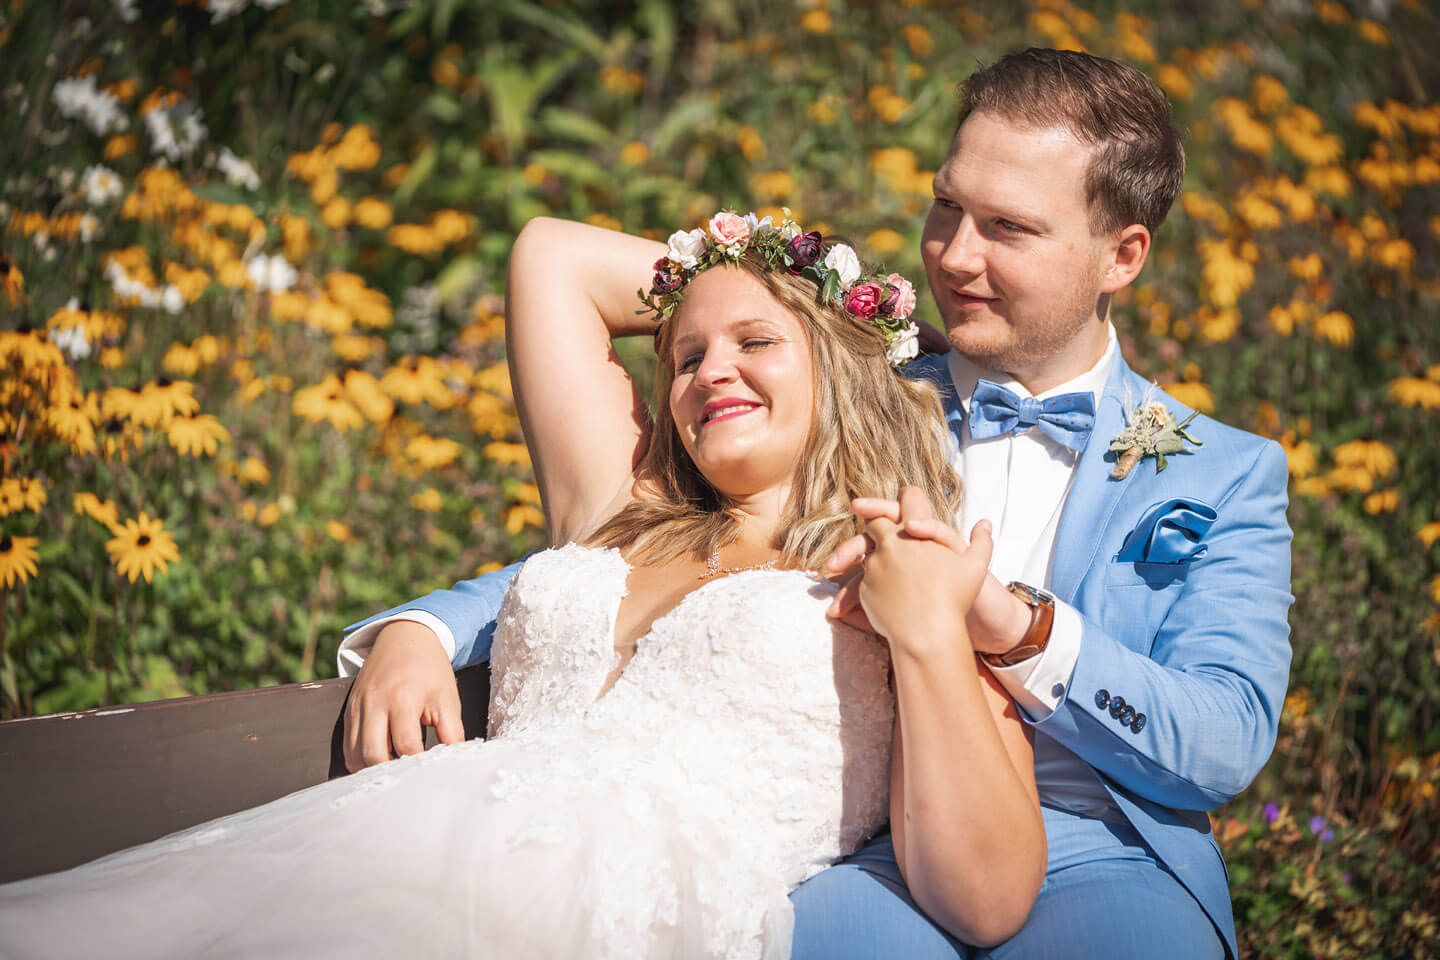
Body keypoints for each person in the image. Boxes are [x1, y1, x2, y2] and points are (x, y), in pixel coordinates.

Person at [342, 48, 1293, 959]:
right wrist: (432, 621)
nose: (955, 256)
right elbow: (650, 549)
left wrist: (1016, 626)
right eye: (946, 207)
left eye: (1008, 228)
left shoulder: (1223, 473)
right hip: (872, 844)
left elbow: (1223, 739)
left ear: (1122, 255)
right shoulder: (852, 389)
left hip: (1109, 847)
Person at [0, 212, 1046, 958]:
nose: (707, 371)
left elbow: (990, 898)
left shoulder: (887, 567)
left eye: (755, 343)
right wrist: (762, 276)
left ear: (844, 373)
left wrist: (843, 317)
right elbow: (551, 257)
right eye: (683, 356)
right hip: (397, 847)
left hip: (621, 923)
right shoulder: (618, 508)